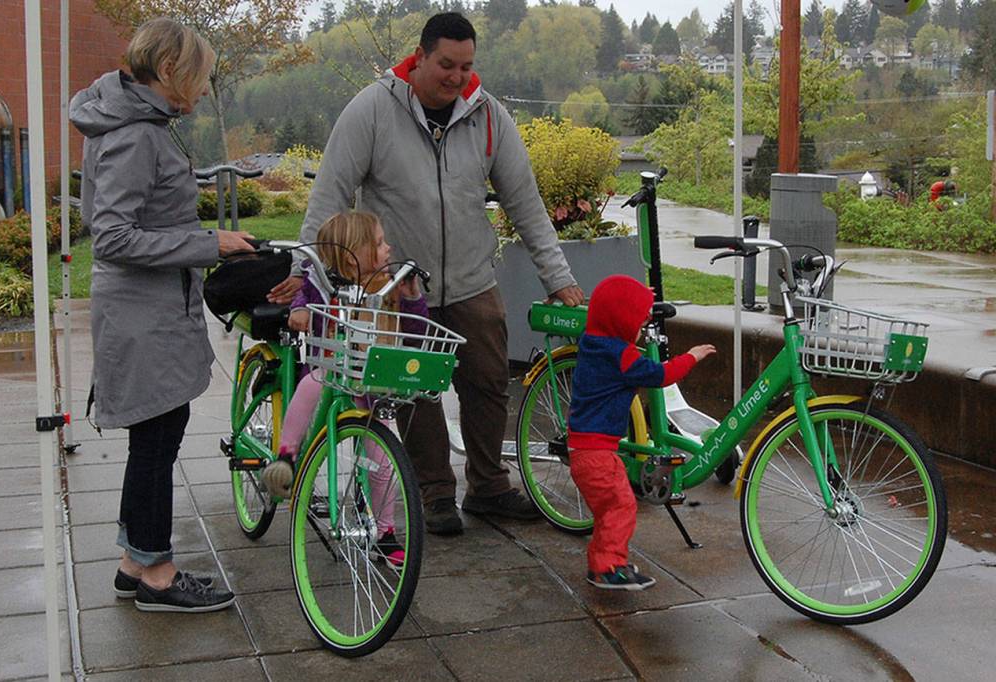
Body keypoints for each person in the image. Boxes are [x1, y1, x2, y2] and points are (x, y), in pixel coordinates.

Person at [300, 12, 585, 536]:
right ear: (421, 57)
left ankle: (489, 486)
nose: (456, 77)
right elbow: (328, 200)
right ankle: (433, 493)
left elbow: (526, 204)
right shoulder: (372, 110)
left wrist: (558, 277)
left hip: (473, 280)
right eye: (446, 65)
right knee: (415, 393)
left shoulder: (489, 115)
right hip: (398, 287)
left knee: (489, 382)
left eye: (467, 66)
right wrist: (306, 280)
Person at [71, 17, 298, 612]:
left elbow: (141, 222)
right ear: (169, 71)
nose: (203, 90)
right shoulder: (134, 134)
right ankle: (158, 575)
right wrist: (209, 244)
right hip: (142, 314)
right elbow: (113, 235)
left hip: (152, 309)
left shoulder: (137, 122)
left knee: (156, 438)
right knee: (156, 441)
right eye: (199, 77)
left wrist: (206, 240)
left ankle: (133, 561)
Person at [263, 211, 427, 566]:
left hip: (371, 383)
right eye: (379, 243)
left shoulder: (388, 284)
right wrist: (301, 311)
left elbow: (415, 330)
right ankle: (286, 455)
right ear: (354, 251)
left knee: (382, 464)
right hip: (331, 368)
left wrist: (411, 297)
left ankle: (385, 532)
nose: (388, 249)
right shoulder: (322, 281)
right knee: (311, 385)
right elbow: (302, 300)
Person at [567, 275, 716, 590]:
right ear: (620, 320)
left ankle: (602, 563)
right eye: (637, 322)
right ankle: (608, 569)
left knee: (610, 511)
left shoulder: (593, 343)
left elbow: (613, 308)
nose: (639, 329)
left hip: (584, 450)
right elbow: (661, 375)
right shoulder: (622, 357)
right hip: (598, 457)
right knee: (621, 507)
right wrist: (692, 357)